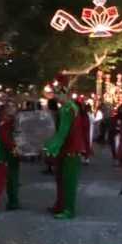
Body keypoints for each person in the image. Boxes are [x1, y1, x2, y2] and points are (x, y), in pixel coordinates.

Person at [44, 74, 86, 220]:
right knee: (61, 179)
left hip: (71, 150)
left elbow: (63, 132)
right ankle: (60, 206)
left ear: (64, 93)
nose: (55, 97)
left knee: (68, 181)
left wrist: (50, 148)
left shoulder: (68, 109)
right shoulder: (67, 108)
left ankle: (69, 210)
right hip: (66, 149)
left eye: (57, 93)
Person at [0, 99, 20, 214]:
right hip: (3, 156)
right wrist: (16, 149)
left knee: (11, 180)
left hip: (6, 155)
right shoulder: (4, 122)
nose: (13, 109)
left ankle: (13, 202)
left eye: (14, 107)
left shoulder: (3, 121)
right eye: (10, 107)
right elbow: (6, 139)